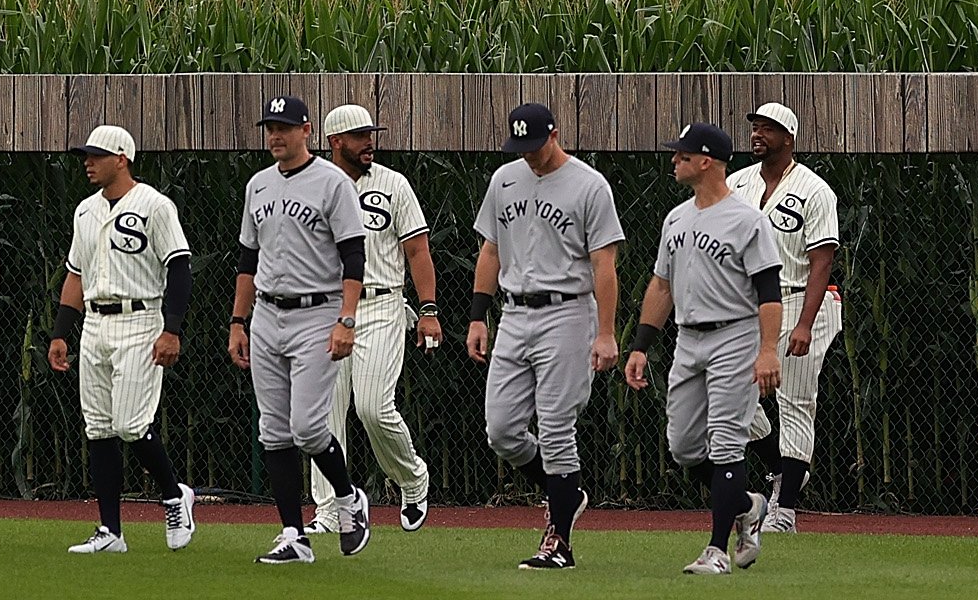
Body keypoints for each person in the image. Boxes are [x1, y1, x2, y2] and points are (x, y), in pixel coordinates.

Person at [467, 101, 624, 571]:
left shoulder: (589, 185)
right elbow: (491, 249)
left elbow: (604, 265)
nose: (530, 154)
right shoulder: (505, 179)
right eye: (521, 146)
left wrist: (606, 333)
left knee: (556, 428)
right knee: (502, 432)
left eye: (536, 145)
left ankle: (559, 540)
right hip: (514, 314)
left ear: (555, 134)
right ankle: (567, 493)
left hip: (567, 313)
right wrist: (478, 316)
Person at [625, 123, 785, 575]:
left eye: (681, 154)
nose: (674, 160)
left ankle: (716, 551)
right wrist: (641, 346)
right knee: (683, 446)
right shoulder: (676, 218)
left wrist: (768, 349)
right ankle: (747, 505)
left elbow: (768, 291)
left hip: (735, 335)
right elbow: (661, 285)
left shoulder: (746, 219)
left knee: (727, 441)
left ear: (706, 161)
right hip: (688, 338)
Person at [230, 94, 373, 564]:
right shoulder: (258, 185)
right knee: (273, 431)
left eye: (285, 126)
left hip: (318, 311)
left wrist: (346, 319)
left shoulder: (332, 183)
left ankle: (350, 498)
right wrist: (238, 320)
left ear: (307, 130)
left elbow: (355, 255)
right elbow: (248, 260)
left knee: (309, 428)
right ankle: (294, 533)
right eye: (270, 126)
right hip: (268, 313)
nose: (276, 134)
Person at [51, 124, 199, 554]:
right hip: (95, 322)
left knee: (132, 424)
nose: (87, 162)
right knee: (98, 428)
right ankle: (111, 531)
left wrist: (171, 329)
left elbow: (179, 267)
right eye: (86, 154)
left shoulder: (154, 205)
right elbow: (75, 274)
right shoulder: (85, 210)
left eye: (96, 155)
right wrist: (61, 333)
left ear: (121, 158)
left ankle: (174, 496)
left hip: (140, 318)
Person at [306, 104, 441, 532]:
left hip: (382, 304)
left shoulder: (392, 183)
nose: (370, 142)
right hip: (326, 307)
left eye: (371, 134)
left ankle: (411, 478)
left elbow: (417, 250)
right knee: (324, 413)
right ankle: (330, 509)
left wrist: (429, 310)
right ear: (335, 142)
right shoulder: (313, 185)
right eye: (360, 135)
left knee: (373, 407)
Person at [733, 101, 840, 535]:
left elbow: (823, 261)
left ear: (788, 138)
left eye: (768, 128)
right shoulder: (736, 183)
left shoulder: (814, 190)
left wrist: (804, 325)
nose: (758, 133)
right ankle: (784, 469)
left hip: (799, 299)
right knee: (732, 401)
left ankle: (785, 511)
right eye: (755, 126)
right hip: (749, 307)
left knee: (794, 401)